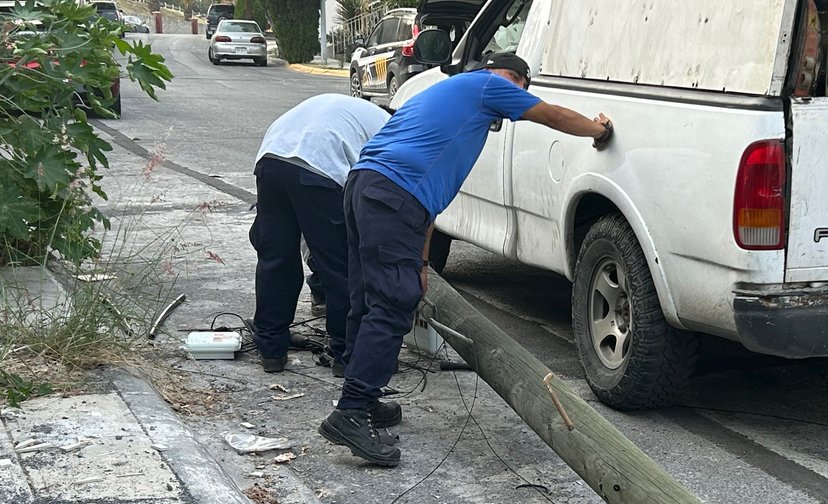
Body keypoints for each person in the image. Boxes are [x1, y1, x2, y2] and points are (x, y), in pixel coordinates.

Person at [319, 52, 614, 467]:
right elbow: (550, 115)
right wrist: (597, 130)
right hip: (394, 196)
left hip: (367, 187)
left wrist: (422, 266)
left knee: (369, 297)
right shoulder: (489, 86)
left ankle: (361, 395)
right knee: (391, 302)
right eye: (520, 90)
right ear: (516, 81)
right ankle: (350, 410)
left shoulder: (448, 98)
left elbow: (429, 207)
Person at [250, 93, 390, 374]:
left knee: (276, 259)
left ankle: (271, 348)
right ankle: (345, 354)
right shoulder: (388, 126)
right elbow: (378, 191)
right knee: (340, 268)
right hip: (320, 167)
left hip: (271, 162)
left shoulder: (347, 108)